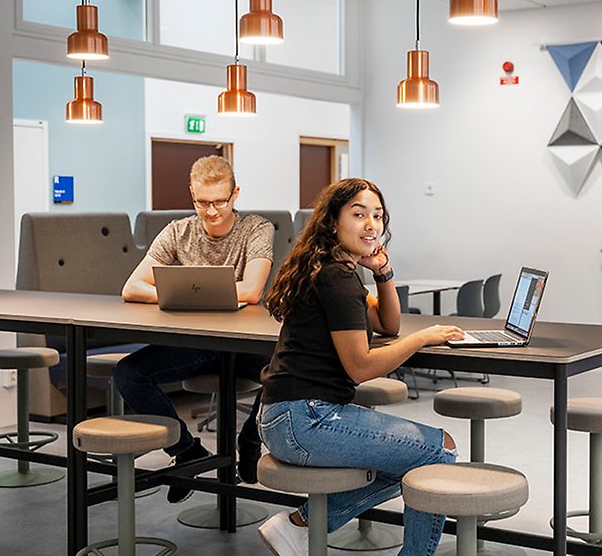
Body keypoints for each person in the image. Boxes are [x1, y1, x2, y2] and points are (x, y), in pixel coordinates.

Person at [255, 178, 462, 556]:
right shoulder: (337, 276)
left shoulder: (332, 267)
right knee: (438, 450)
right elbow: (360, 367)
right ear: (333, 222)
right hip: (307, 420)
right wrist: (423, 337)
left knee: (418, 455)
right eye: (359, 214)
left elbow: (388, 323)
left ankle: (300, 525)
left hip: (283, 417)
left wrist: (383, 272)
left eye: (378, 216)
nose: (371, 225)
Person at [114, 155, 275, 503]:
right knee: (128, 374)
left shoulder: (257, 228)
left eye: (220, 201)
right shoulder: (177, 231)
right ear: (191, 194)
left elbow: (251, 291)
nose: (212, 211)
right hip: (196, 343)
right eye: (202, 202)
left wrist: (186, 295)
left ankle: (251, 437)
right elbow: (132, 288)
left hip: (245, 343)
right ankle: (188, 452)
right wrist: (182, 296)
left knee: (287, 368)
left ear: (235, 194)